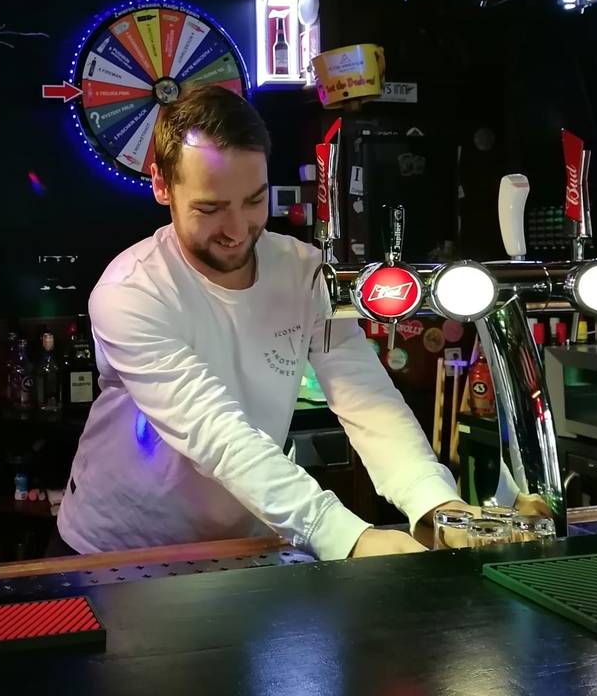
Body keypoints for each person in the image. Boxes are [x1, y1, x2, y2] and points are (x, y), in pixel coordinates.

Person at [54, 85, 472, 560]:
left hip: (245, 543)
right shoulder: (130, 292)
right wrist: (348, 537)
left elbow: (366, 396)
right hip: (118, 550)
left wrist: (434, 504)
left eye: (254, 200)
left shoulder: (302, 271)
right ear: (162, 185)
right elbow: (216, 434)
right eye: (210, 209)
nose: (237, 229)